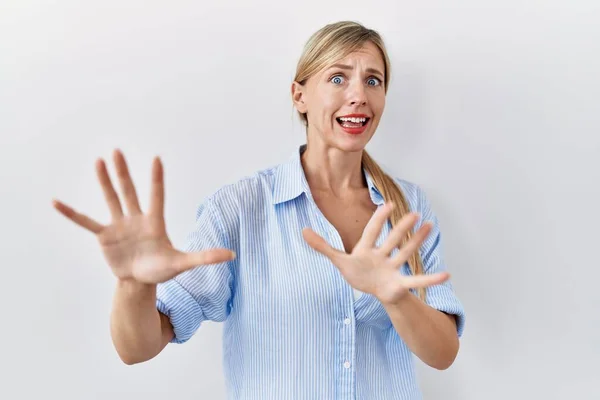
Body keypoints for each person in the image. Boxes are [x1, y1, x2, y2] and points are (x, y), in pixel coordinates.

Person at [53, 20, 465, 400]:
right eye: (337, 78)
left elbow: (443, 353)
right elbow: (136, 349)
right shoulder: (239, 209)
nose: (358, 95)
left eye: (372, 80)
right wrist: (133, 285)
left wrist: (396, 300)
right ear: (299, 96)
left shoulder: (407, 207)